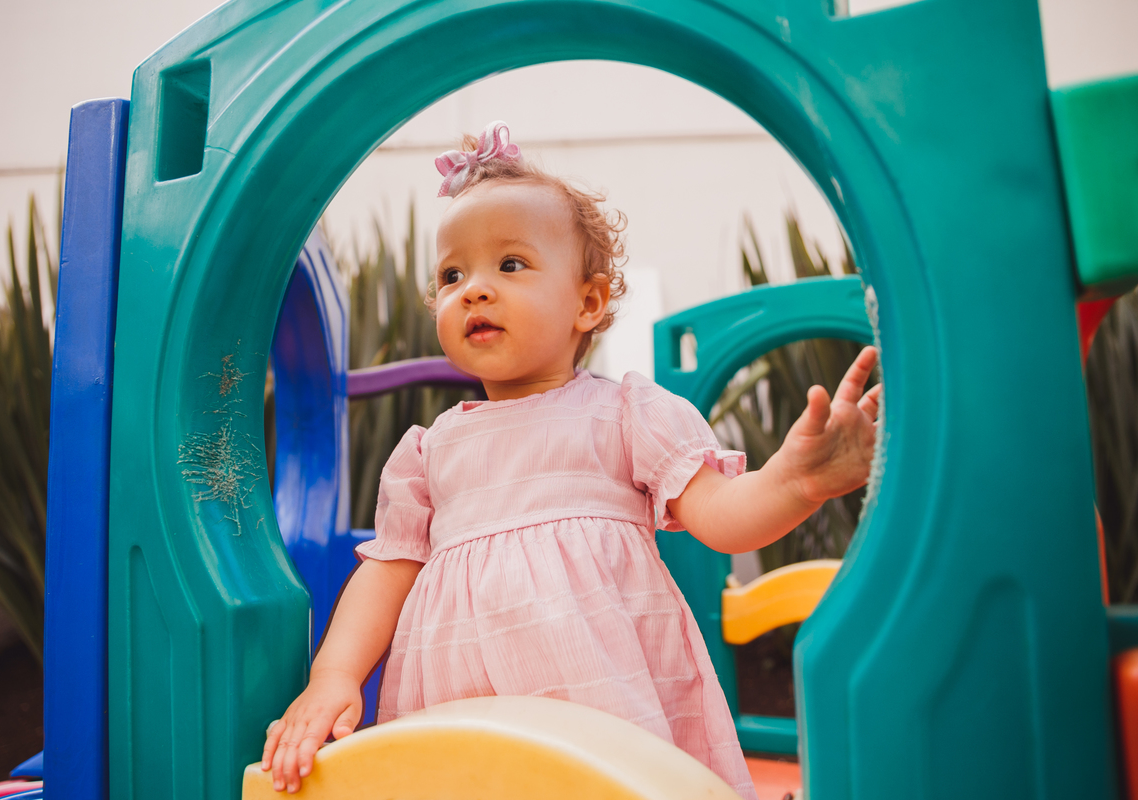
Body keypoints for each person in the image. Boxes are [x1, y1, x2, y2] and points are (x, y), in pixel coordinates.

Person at [262, 121, 881, 797]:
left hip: (602, 699)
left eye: (510, 264)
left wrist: (794, 480)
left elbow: (723, 519)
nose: (473, 288)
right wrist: (333, 677)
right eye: (451, 273)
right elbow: (386, 575)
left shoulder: (626, 415)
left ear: (587, 302)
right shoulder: (426, 450)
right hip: (460, 708)